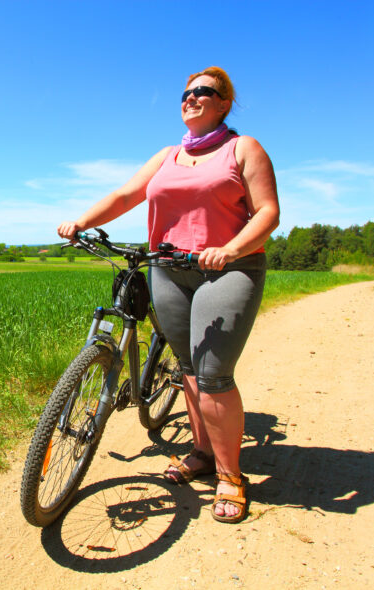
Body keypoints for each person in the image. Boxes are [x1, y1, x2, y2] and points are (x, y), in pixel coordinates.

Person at [57, 66, 279, 524]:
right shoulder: (167, 156)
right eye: (186, 92)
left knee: (214, 373)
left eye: (204, 92)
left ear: (223, 104)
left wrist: (232, 248)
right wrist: (80, 221)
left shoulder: (243, 148)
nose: (192, 97)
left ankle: (230, 476)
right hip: (170, 270)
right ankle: (201, 452)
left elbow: (268, 213)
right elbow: (124, 196)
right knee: (188, 367)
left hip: (228, 268)